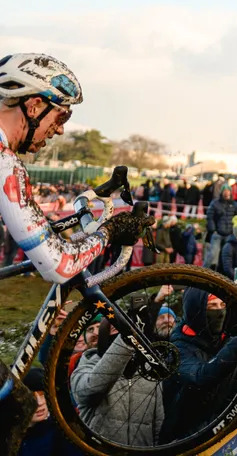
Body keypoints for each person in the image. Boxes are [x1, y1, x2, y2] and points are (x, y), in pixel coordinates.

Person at [0, 54, 152, 450]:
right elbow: (58, 264)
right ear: (33, 106)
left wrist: (83, 213)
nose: (59, 131)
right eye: (60, 117)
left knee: (11, 404)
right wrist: (108, 233)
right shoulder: (2, 161)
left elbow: (37, 228)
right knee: (13, 406)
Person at [159, 288, 237, 442]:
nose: (220, 311)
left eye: (222, 305)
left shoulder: (227, 342)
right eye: (212, 306)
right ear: (195, 309)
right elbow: (200, 376)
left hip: (224, 435)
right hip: (182, 442)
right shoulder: (178, 348)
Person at [71, 320, 165, 448]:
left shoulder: (149, 368)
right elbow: (87, 392)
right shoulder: (88, 362)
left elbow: (158, 419)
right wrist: (124, 342)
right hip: (98, 451)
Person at [204, 186, 237, 270]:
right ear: (222, 192)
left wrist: (234, 231)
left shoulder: (234, 204)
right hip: (217, 233)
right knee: (212, 254)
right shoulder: (215, 203)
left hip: (229, 234)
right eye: (224, 191)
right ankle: (203, 271)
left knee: (226, 256)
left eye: (228, 191)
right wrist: (213, 230)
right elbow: (209, 216)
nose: (226, 193)